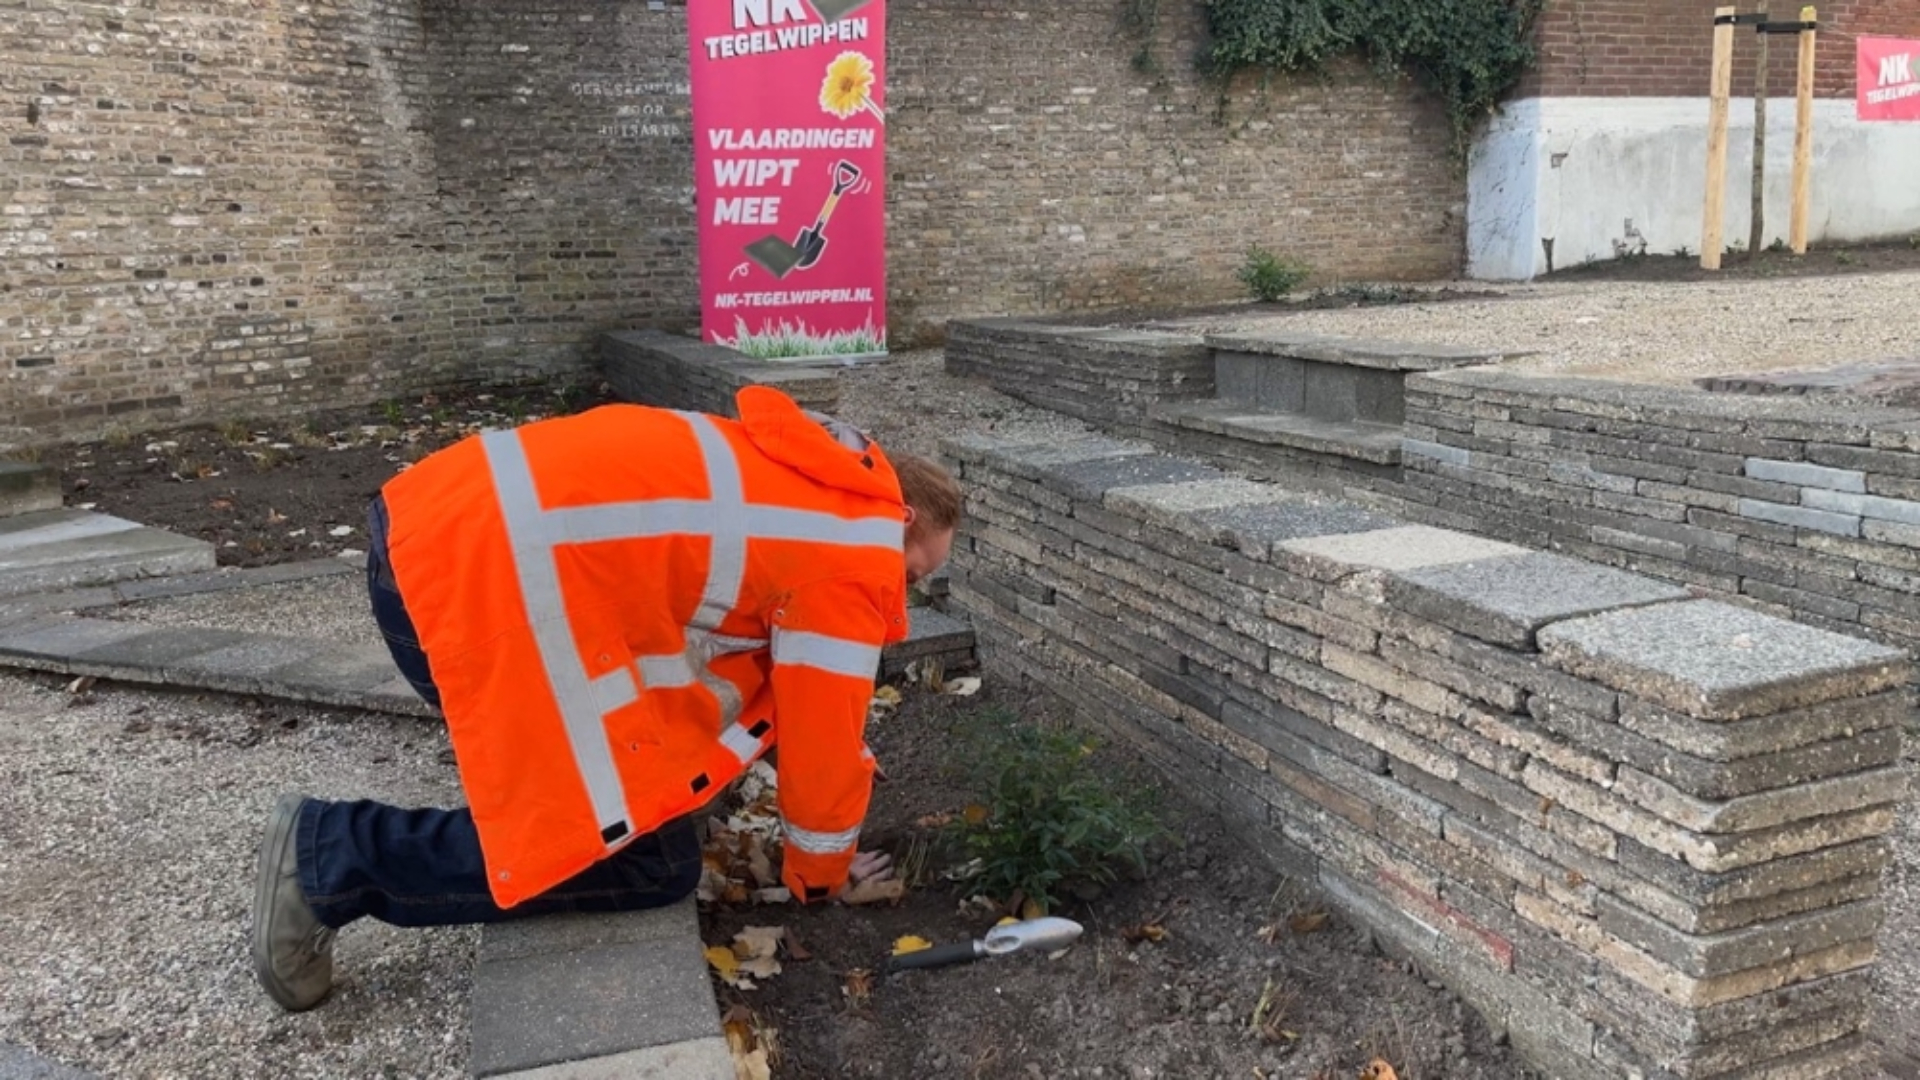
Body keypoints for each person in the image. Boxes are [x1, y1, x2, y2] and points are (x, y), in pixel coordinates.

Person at [251, 385, 961, 1012]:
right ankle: (335, 858)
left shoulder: (808, 473)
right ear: (899, 521)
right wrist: (822, 877)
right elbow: (822, 743)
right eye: (912, 571)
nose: (901, 594)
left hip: (432, 525)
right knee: (648, 862)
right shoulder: (854, 558)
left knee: (634, 804)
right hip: (464, 588)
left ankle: (341, 853)